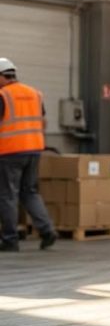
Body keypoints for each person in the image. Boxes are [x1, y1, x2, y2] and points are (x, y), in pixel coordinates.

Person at [0, 58, 57, 251]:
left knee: (8, 195)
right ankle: (47, 230)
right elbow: (42, 120)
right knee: (29, 192)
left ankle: (10, 240)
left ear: (1, 76)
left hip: (9, 152)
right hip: (34, 149)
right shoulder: (34, 93)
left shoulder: (2, 95)